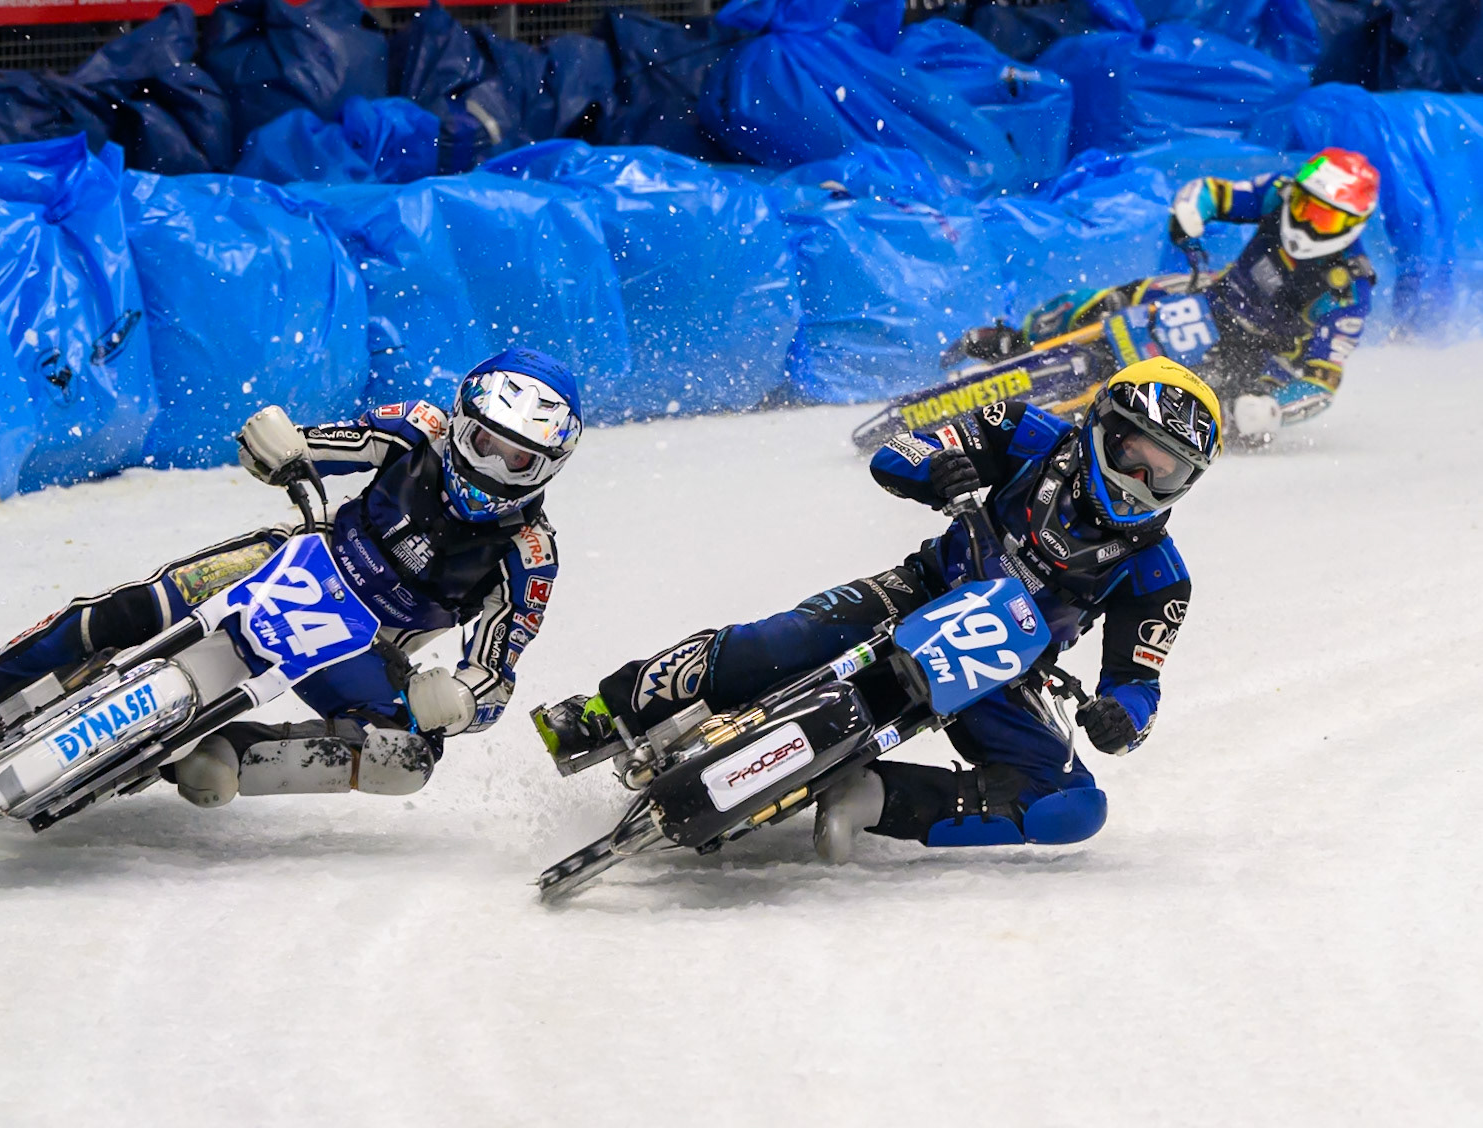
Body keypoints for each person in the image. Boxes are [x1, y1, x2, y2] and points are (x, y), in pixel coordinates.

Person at [536, 357, 1220, 862]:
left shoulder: (1159, 576)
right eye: (1137, 456)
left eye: (1168, 473)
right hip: (923, 587)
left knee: (1072, 807)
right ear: (1103, 426)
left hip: (1006, 665)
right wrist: (936, 472)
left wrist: (1117, 719)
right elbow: (901, 452)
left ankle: (872, 798)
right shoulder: (1026, 432)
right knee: (777, 643)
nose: (1142, 484)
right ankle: (607, 709)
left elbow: (1139, 685)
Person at [0, 347, 582, 806]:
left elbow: (497, 670)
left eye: (517, 460)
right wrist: (281, 443)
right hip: (294, 561)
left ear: (548, 468)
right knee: (140, 605)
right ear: (461, 420)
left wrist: (459, 700)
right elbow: (319, 444)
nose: (492, 466)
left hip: (360, 647)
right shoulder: (418, 429)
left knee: (407, 759)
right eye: (486, 441)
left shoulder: (528, 553)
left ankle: (229, 753)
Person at [968, 148, 1379, 439]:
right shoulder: (1280, 192)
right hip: (1217, 297)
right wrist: (1191, 208)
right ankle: (1019, 339)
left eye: (1323, 217)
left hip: (1260, 359)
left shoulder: (1349, 292)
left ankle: (1062, 429)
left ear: (1352, 225)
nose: (1305, 220)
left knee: (1179, 417)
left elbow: (1321, 383)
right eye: (1305, 206)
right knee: (1115, 297)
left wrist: (1274, 410)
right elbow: (1216, 193)